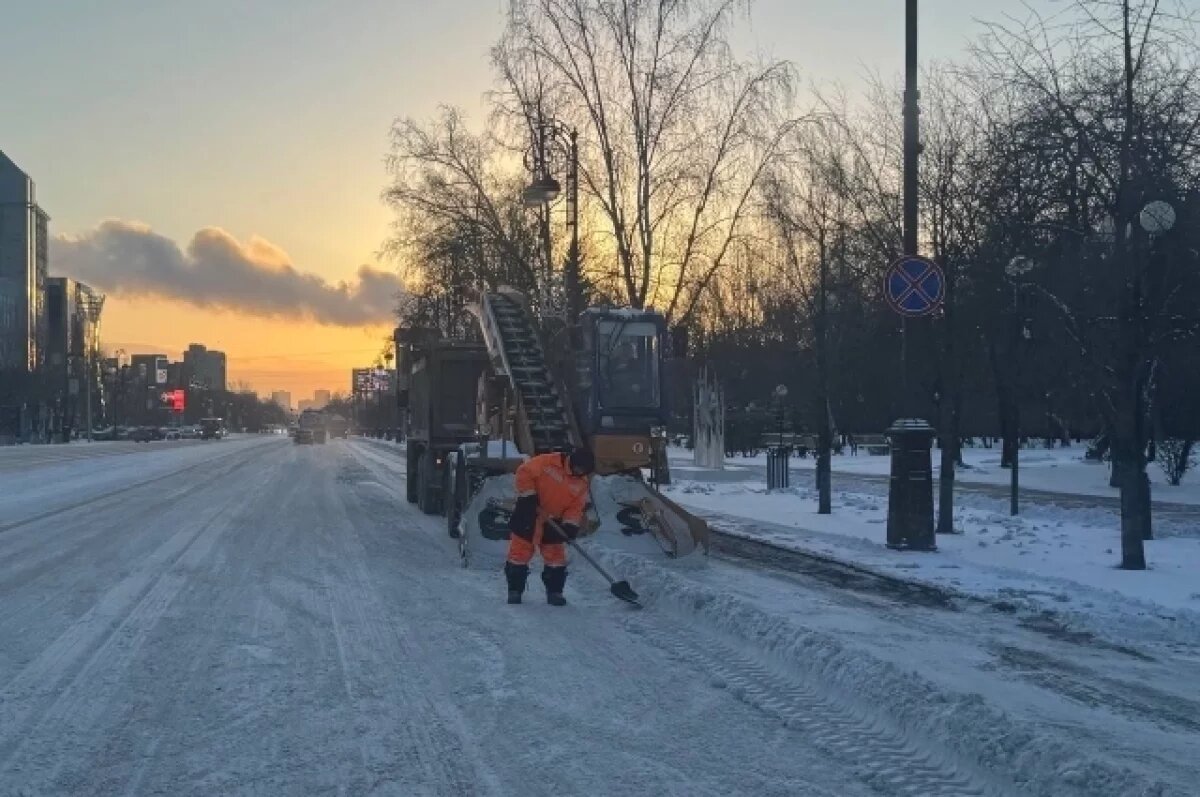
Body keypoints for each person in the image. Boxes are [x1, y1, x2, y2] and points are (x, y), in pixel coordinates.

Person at [505, 448, 596, 606]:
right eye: (578, 467)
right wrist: (528, 495)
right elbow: (524, 471)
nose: (579, 472)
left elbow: (576, 507)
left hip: (553, 521)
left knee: (556, 559)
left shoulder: (582, 483)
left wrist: (570, 525)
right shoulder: (548, 462)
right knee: (519, 555)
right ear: (573, 461)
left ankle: (555, 592)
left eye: (584, 470)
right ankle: (515, 590)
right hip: (528, 513)